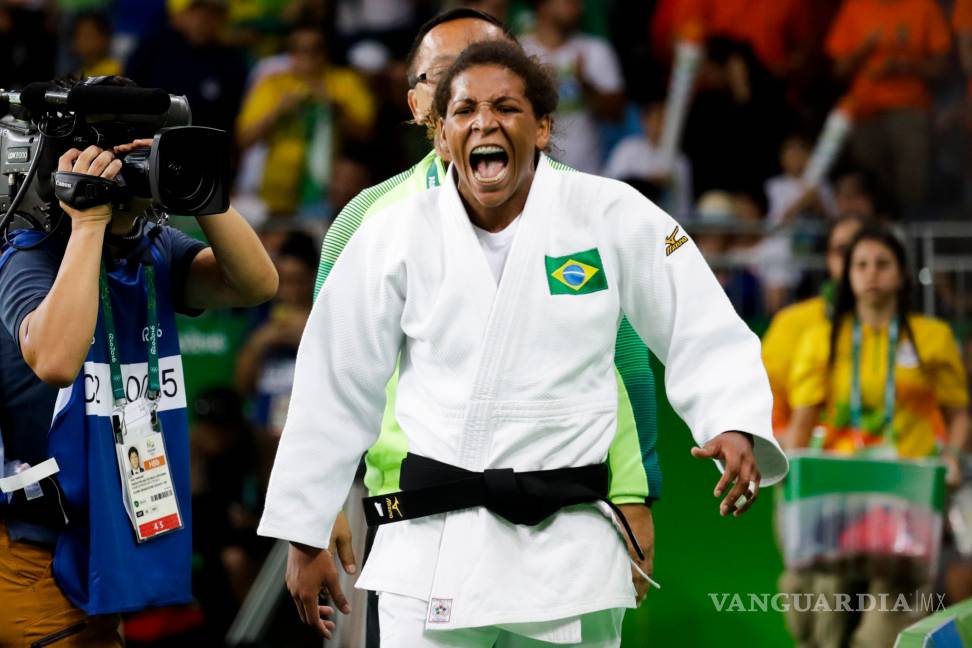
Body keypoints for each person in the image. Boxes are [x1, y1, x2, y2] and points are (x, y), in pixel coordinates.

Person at [260, 39, 788, 647]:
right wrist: (305, 528)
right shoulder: (389, 234)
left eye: (506, 107)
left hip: (572, 548)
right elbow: (334, 381)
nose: (484, 121)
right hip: (433, 547)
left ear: (542, 127)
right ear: (440, 137)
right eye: (464, 111)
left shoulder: (613, 214)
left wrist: (730, 418)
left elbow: (699, 320)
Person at [313, 9, 661, 645]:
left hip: (565, 512)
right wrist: (322, 498)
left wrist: (636, 494)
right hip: (417, 515)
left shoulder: (588, 215)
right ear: (421, 102)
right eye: (452, 78)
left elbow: (626, 362)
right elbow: (332, 375)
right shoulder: (366, 221)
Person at [0, 130, 277, 645]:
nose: (133, 166)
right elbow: (56, 361)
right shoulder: (27, 252)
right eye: (119, 154)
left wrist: (201, 191)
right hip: (33, 545)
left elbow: (254, 285)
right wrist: (87, 221)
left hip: (103, 530)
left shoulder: (152, 248)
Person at [783, 224, 969, 646]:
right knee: (817, 625)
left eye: (883, 264)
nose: (871, 274)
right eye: (861, 265)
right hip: (836, 501)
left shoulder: (933, 339)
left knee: (882, 633)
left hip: (907, 501)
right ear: (846, 275)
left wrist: (953, 455)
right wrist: (790, 482)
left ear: (902, 274)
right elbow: (801, 425)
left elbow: (959, 415)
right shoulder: (820, 340)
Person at [237, 19, 376, 218]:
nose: (308, 56)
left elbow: (366, 134)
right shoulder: (272, 85)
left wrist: (335, 109)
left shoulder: (345, 82)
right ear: (290, 54)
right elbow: (244, 138)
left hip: (329, 190)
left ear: (325, 52)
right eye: (300, 49)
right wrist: (278, 111)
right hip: (277, 189)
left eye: (315, 49)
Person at [825, 0, 951, 214]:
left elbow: (942, 67)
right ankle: (873, 236)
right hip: (863, 110)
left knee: (913, 182)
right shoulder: (856, 6)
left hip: (910, 106)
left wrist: (905, 66)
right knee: (868, 183)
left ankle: (910, 235)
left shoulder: (924, 6)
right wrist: (864, 50)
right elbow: (837, 70)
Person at [762, 215, 864, 436]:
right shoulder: (791, 322)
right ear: (829, 258)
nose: (852, 259)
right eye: (842, 250)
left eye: (860, 248)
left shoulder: (905, 330)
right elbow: (767, 402)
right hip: (810, 456)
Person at [519, 0, 625, 174]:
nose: (576, 4)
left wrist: (586, 86)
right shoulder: (520, 51)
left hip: (587, 175)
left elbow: (617, 114)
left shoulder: (596, 50)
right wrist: (535, 87)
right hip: (534, 175)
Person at [602, 97, 693, 220]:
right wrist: (649, 184)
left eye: (665, 121)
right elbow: (612, 187)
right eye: (656, 119)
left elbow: (683, 208)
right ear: (645, 121)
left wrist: (672, 186)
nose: (660, 126)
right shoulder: (627, 149)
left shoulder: (680, 161)